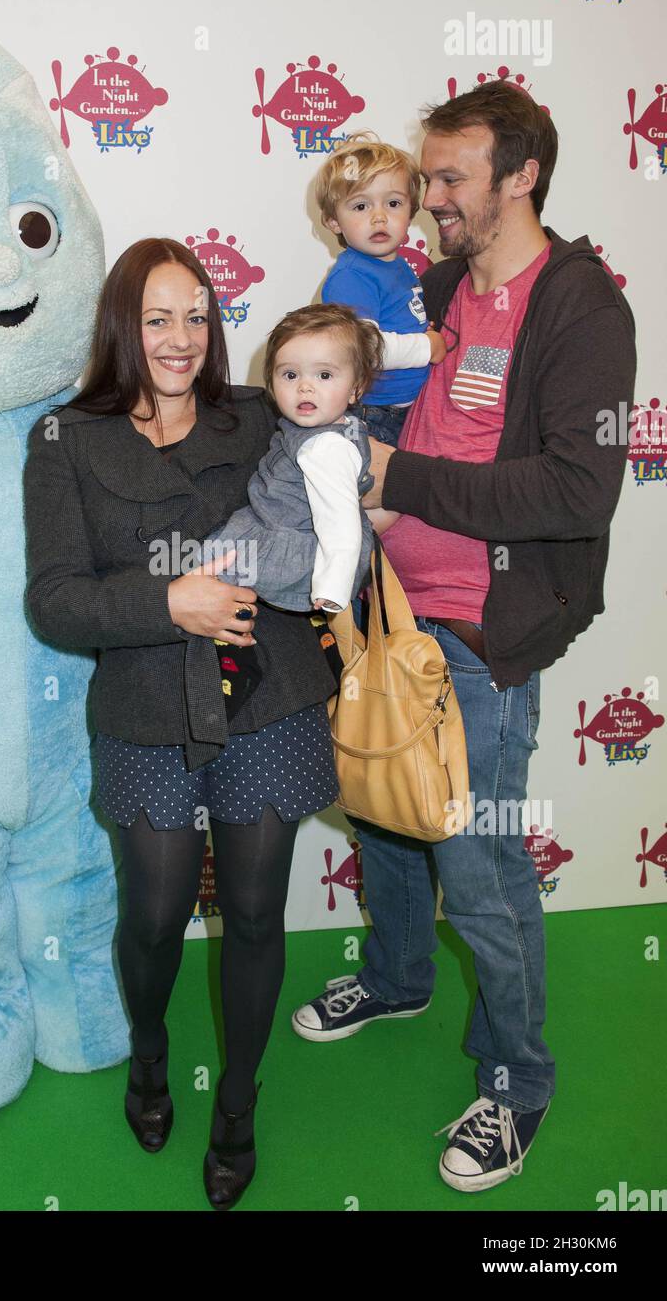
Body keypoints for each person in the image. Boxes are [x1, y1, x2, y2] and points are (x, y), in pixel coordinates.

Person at [293, 81, 636, 1192]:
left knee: (478, 864)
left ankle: (514, 1082)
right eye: (423, 177)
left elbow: (580, 489)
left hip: (484, 632)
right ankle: (397, 977)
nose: (422, 199)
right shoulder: (429, 285)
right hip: (382, 609)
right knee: (386, 811)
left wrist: (402, 477)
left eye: (447, 180)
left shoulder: (581, 307)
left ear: (518, 176)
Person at [23, 238, 341, 1211]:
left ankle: (236, 1106)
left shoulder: (257, 414)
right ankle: (150, 1058)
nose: (179, 336)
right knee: (155, 916)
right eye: (158, 316)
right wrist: (170, 603)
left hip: (267, 703)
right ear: (123, 324)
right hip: (145, 711)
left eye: (196, 315)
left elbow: (341, 449)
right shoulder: (66, 439)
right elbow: (56, 602)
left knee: (252, 913)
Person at [208, 302, 396, 626]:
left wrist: (333, 587)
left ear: (356, 387)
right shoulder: (330, 428)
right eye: (290, 374)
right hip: (278, 524)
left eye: (324, 375)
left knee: (203, 569)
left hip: (290, 545)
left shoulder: (325, 447)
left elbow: (341, 524)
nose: (304, 386)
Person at [316, 131, 447, 448]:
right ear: (334, 221)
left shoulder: (399, 267)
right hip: (375, 414)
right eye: (360, 206)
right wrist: (426, 347)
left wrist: (418, 330)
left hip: (410, 408)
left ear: (411, 211)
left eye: (393, 203)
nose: (379, 216)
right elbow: (366, 348)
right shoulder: (352, 277)